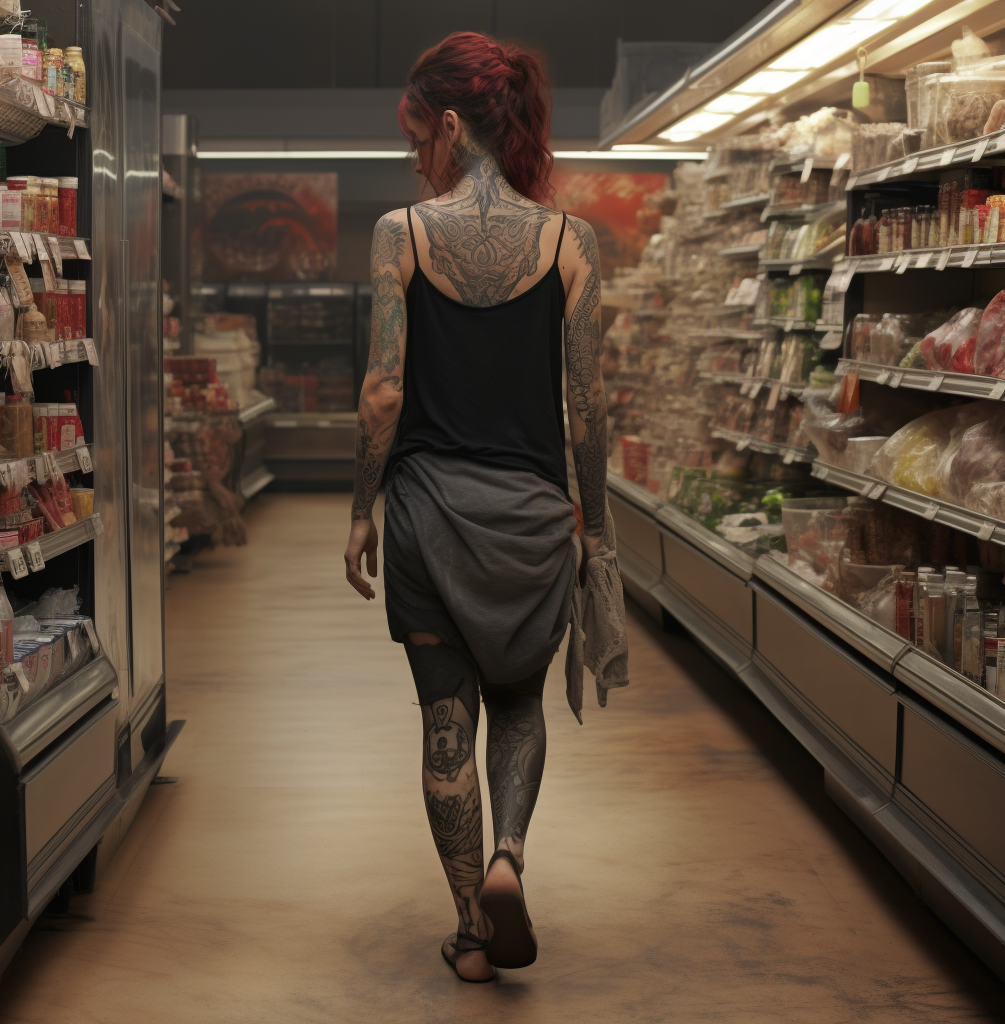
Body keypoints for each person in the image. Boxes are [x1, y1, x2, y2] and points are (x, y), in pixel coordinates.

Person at [343, 30, 609, 983]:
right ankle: (510, 860)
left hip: (425, 516)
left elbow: (383, 392)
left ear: (452, 126)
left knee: (443, 719)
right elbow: (588, 406)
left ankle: (469, 932)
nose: (416, 161)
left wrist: (362, 508)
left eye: (419, 140)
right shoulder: (571, 243)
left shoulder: (402, 235)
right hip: (534, 522)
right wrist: (598, 536)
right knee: (520, 706)